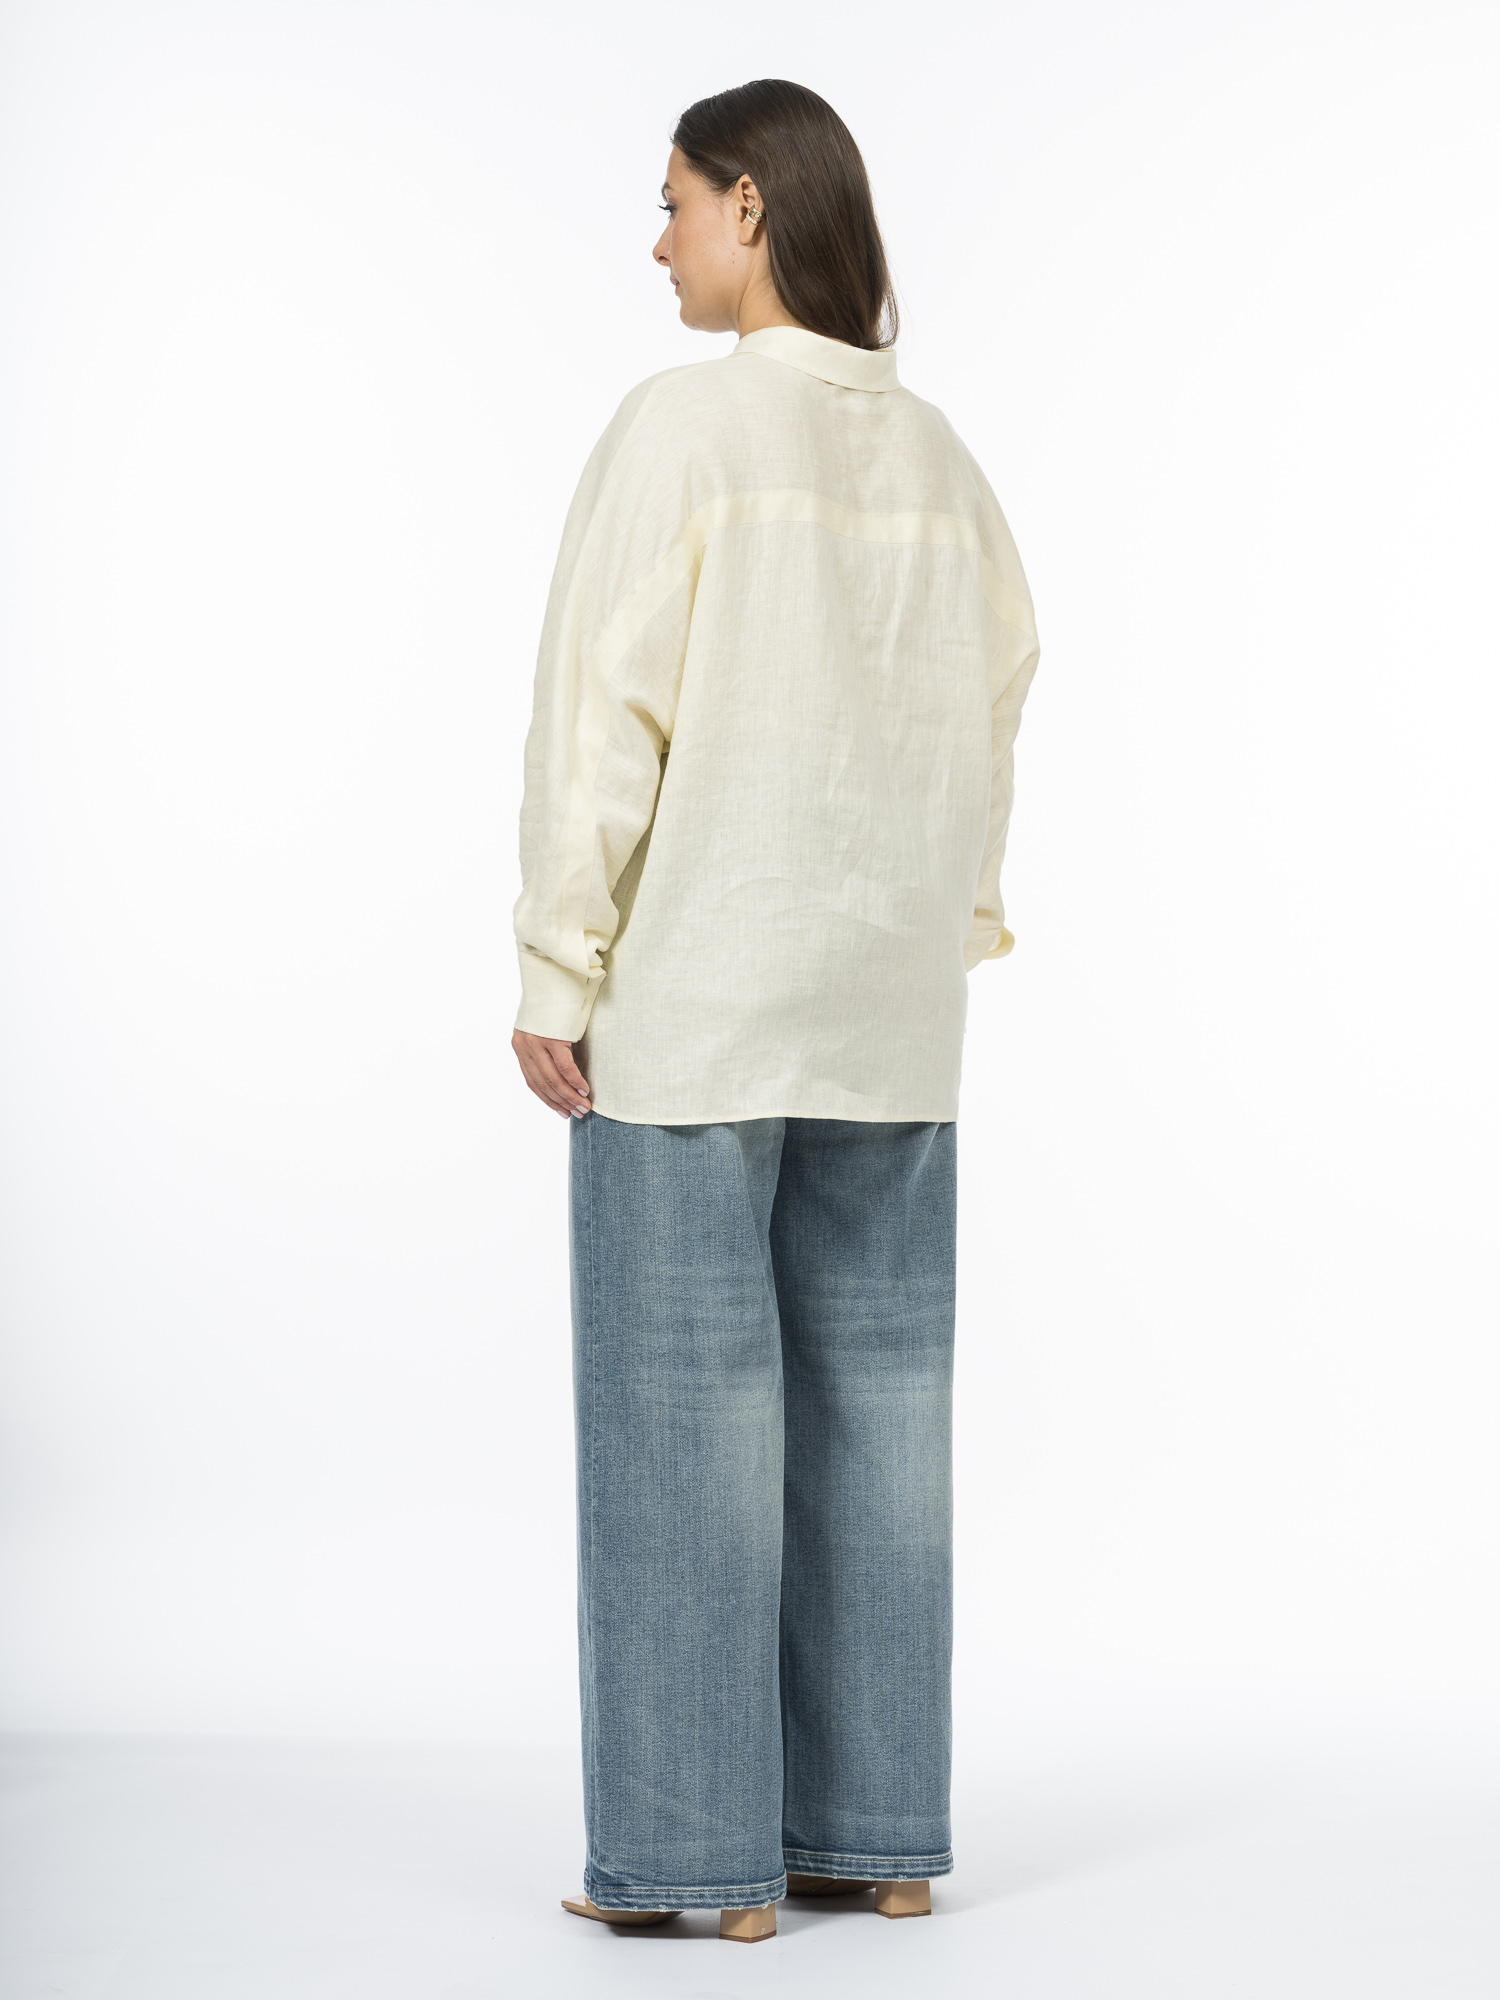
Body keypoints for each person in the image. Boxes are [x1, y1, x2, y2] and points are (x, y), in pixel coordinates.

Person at [510, 78, 1039, 1945]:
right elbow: (996, 706)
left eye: (670, 203)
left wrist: (558, 959)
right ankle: (875, 1840)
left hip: (701, 1011)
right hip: (888, 1019)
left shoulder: (688, 428)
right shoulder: (943, 462)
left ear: (751, 206)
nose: (654, 241)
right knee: (884, 1424)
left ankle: (698, 1867)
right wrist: (945, 922)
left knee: (685, 1433)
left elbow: (604, 712)